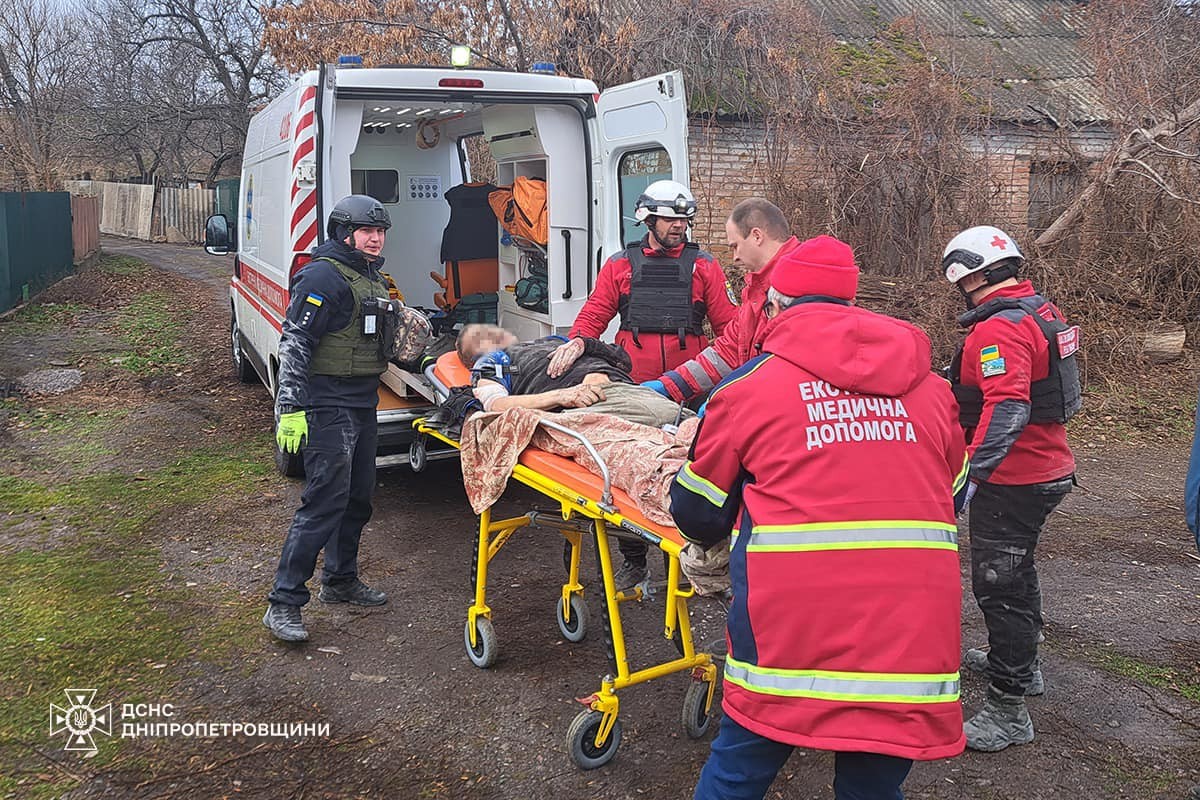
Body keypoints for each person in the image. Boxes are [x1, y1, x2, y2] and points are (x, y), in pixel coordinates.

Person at [670, 235, 969, 800]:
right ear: (852, 305)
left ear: (775, 306)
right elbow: (953, 497)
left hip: (788, 638)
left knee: (737, 776)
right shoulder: (933, 391)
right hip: (907, 637)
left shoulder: (749, 389)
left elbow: (698, 513)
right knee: (872, 788)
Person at [942, 225, 1080, 751]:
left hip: (1016, 478)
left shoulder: (998, 329)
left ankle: (1007, 709)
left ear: (965, 274)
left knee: (999, 584)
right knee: (1018, 572)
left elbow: (1009, 405)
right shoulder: (1039, 311)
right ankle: (1023, 665)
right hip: (1044, 469)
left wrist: (971, 476)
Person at [263, 195, 398, 643]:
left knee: (358, 498)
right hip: (327, 404)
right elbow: (296, 342)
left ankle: (340, 580)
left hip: (362, 401)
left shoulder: (370, 277)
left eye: (379, 231)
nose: (376, 238)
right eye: (366, 231)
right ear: (344, 232)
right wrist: (291, 409)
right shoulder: (323, 275)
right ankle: (284, 602)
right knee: (322, 503)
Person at [567, 179, 735, 385]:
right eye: (668, 218)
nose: (678, 225)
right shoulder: (620, 265)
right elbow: (593, 316)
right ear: (648, 220)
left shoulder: (704, 265)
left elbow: (730, 327)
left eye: (683, 219)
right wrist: (575, 345)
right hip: (631, 381)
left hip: (690, 383)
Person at [644, 197, 800, 405]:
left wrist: (728, 399)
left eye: (735, 246)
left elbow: (784, 368)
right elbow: (728, 352)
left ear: (756, 236)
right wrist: (671, 385)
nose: (734, 257)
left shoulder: (798, 288)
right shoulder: (756, 292)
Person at [454, 323, 690, 429]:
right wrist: (562, 396)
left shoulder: (550, 341)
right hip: (591, 403)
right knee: (687, 426)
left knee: (694, 428)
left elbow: (623, 360)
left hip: (625, 389)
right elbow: (497, 405)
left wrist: (584, 344)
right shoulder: (492, 362)